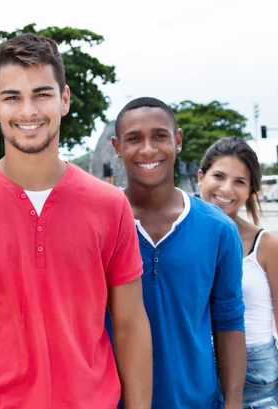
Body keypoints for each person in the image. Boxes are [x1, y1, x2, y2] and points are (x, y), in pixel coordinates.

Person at [0, 33, 153, 409]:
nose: (28, 111)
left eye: (41, 94)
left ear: (64, 99)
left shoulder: (110, 205)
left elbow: (130, 324)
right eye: (12, 97)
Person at [111, 97, 247, 408]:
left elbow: (228, 320)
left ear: (178, 140)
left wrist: (234, 402)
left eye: (159, 135)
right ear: (118, 147)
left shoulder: (218, 230)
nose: (148, 149)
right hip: (113, 400)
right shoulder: (98, 224)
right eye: (134, 139)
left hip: (196, 400)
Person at [199, 137, 278, 408]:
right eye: (218, 176)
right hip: (195, 367)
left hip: (256, 372)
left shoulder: (266, 244)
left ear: (251, 191)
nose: (226, 189)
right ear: (201, 176)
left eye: (239, 182)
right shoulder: (180, 237)